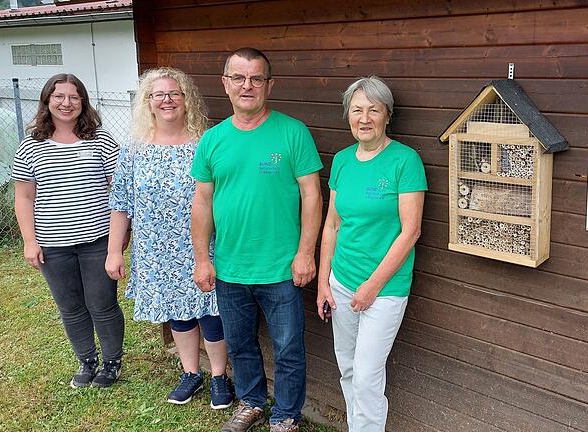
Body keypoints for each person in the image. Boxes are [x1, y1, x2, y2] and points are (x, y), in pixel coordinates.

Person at [191, 47, 323, 432]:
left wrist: (305, 253)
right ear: (226, 84)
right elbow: (202, 201)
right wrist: (203, 259)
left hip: (282, 267)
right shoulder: (213, 140)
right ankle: (251, 402)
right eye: (239, 77)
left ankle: (285, 416)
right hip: (231, 267)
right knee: (241, 344)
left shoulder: (292, 131)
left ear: (269, 84)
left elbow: (311, 195)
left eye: (256, 78)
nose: (247, 86)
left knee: (288, 349)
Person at [105, 67, 234, 409]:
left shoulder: (206, 143)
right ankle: (191, 373)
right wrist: (114, 251)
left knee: (211, 311)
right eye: (157, 94)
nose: (166, 100)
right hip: (156, 249)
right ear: (147, 103)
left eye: (174, 93)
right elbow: (121, 203)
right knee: (177, 311)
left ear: (187, 99)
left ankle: (220, 376)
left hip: (202, 244)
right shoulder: (133, 150)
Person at [316, 76, 426, 432]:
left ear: (387, 115)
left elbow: (411, 231)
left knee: (365, 375)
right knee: (347, 367)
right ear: (348, 114)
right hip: (342, 281)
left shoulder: (405, 161)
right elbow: (332, 225)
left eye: (373, 110)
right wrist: (323, 282)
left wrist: (372, 286)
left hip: (385, 289)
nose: (364, 118)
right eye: (357, 109)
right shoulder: (343, 161)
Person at [12, 73, 125, 389]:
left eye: (74, 97)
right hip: (53, 245)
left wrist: (119, 238)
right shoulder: (31, 145)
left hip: (97, 241)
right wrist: (29, 241)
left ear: (83, 102)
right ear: (47, 101)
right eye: (59, 96)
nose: (66, 103)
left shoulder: (100, 140)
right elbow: (24, 196)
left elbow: (119, 189)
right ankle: (87, 361)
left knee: (102, 304)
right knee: (71, 307)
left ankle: (111, 363)